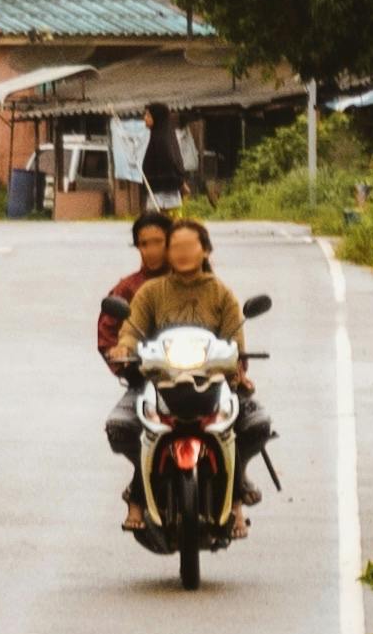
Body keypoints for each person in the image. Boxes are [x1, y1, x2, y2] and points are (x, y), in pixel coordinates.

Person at [112, 220, 278, 533]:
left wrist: (238, 371)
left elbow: (235, 341)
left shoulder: (221, 294)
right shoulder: (150, 292)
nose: (184, 254)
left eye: (191, 246)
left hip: (213, 382)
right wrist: (124, 348)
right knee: (119, 427)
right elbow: (130, 330)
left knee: (257, 426)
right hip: (159, 382)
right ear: (168, 253)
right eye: (176, 247)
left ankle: (236, 493)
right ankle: (139, 488)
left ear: (206, 250)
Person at [93, 210, 174, 374]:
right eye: (144, 244)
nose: (151, 251)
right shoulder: (126, 288)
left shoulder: (196, 283)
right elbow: (107, 334)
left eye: (158, 242)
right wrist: (118, 354)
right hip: (143, 370)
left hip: (195, 367)